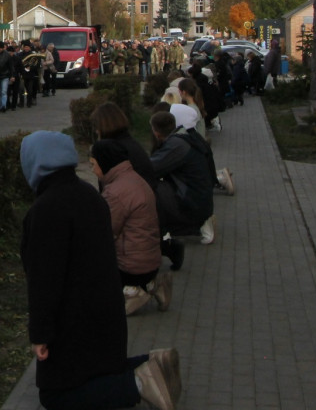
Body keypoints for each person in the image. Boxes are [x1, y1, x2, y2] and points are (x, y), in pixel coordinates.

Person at [20, 130, 182, 410]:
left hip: (73, 323)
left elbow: (45, 281)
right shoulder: (89, 194)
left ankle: (141, 382)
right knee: (99, 373)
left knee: (55, 395)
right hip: (107, 315)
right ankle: (151, 363)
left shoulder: (47, 209)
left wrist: (40, 335)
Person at [90, 140, 172, 316]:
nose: (92, 170)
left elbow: (106, 233)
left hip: (131, 267)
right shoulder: (135, 179)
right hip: (151, 261)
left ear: (105, 162)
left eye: (93, 164)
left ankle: (132, 291)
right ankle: (152, 285)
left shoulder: (115, 192)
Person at [149, 111, 216, 246]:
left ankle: (165, 231)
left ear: (156, 132)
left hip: (192, 202)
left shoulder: (176, 145)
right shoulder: (186, 137)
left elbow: (150, 168)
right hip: (201, 198)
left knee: (150, 188)